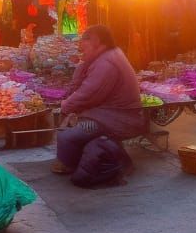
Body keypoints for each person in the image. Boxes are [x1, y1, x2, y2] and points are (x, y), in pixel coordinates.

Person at [52, 25, 146, 185]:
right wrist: (82, 65)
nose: (82, 49)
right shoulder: (106, 56)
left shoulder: (107, 62)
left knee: (65, 135)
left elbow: (88, 94)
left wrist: (65, 106)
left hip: (117, 119)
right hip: (107, 114)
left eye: (85, 45)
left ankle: (70, 165)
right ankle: (80, 161)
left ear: (97, 42)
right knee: (67, 127)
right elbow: (83, 89)